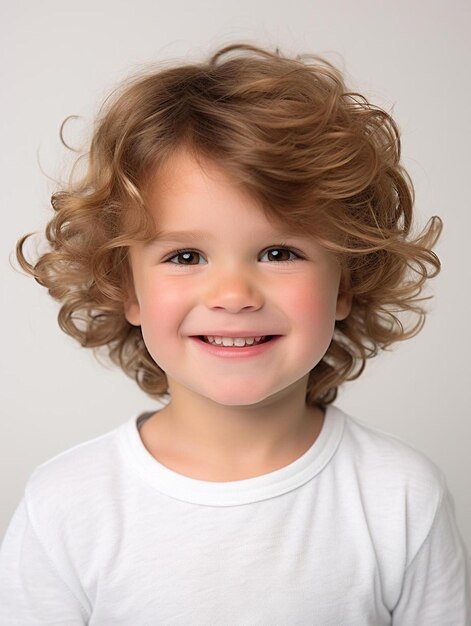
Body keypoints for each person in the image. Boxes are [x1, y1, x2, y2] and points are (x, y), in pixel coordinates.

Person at [1, 41, 469, 625]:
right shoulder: (67, 504)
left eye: (278, 251)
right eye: (186, 255)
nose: (233, 294)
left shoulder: (401, 497)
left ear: (346, 281)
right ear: (127, 287)